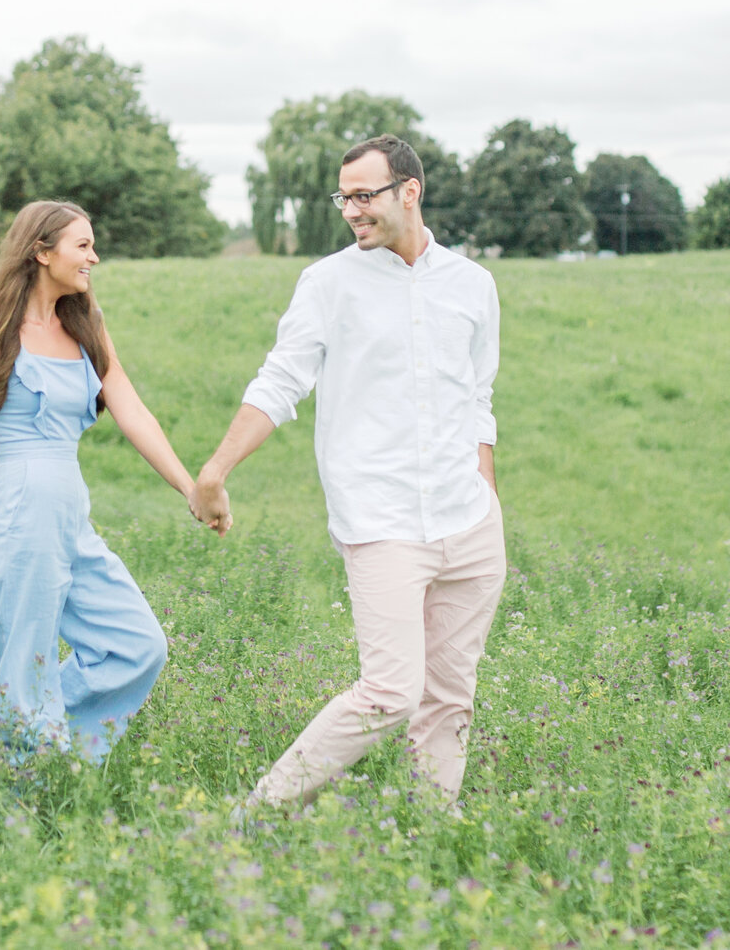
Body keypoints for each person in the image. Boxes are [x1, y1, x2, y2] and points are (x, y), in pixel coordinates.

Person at [193, 134, 504, 808]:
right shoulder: (329, 283)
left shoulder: (473, 285)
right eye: (345, 197)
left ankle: (430, 825)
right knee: (392, 691)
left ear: (409, 191)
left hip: (469, 521)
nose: (351, 210)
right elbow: (280, 380)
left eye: (364, 196)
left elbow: (479, 397)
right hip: (381, 519)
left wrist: (487, 493)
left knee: (450, 694)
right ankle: (260, 812)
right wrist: (216, 469)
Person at [0, 199, 219, 759]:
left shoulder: (86, 327)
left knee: (138, 646)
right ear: (41, 251)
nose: (94, 258)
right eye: (82, 246)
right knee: (22, 668)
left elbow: (132, 410)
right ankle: (24, 797)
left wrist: (190, 488)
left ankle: (42, 741)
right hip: (20, 513)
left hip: (69, 517)